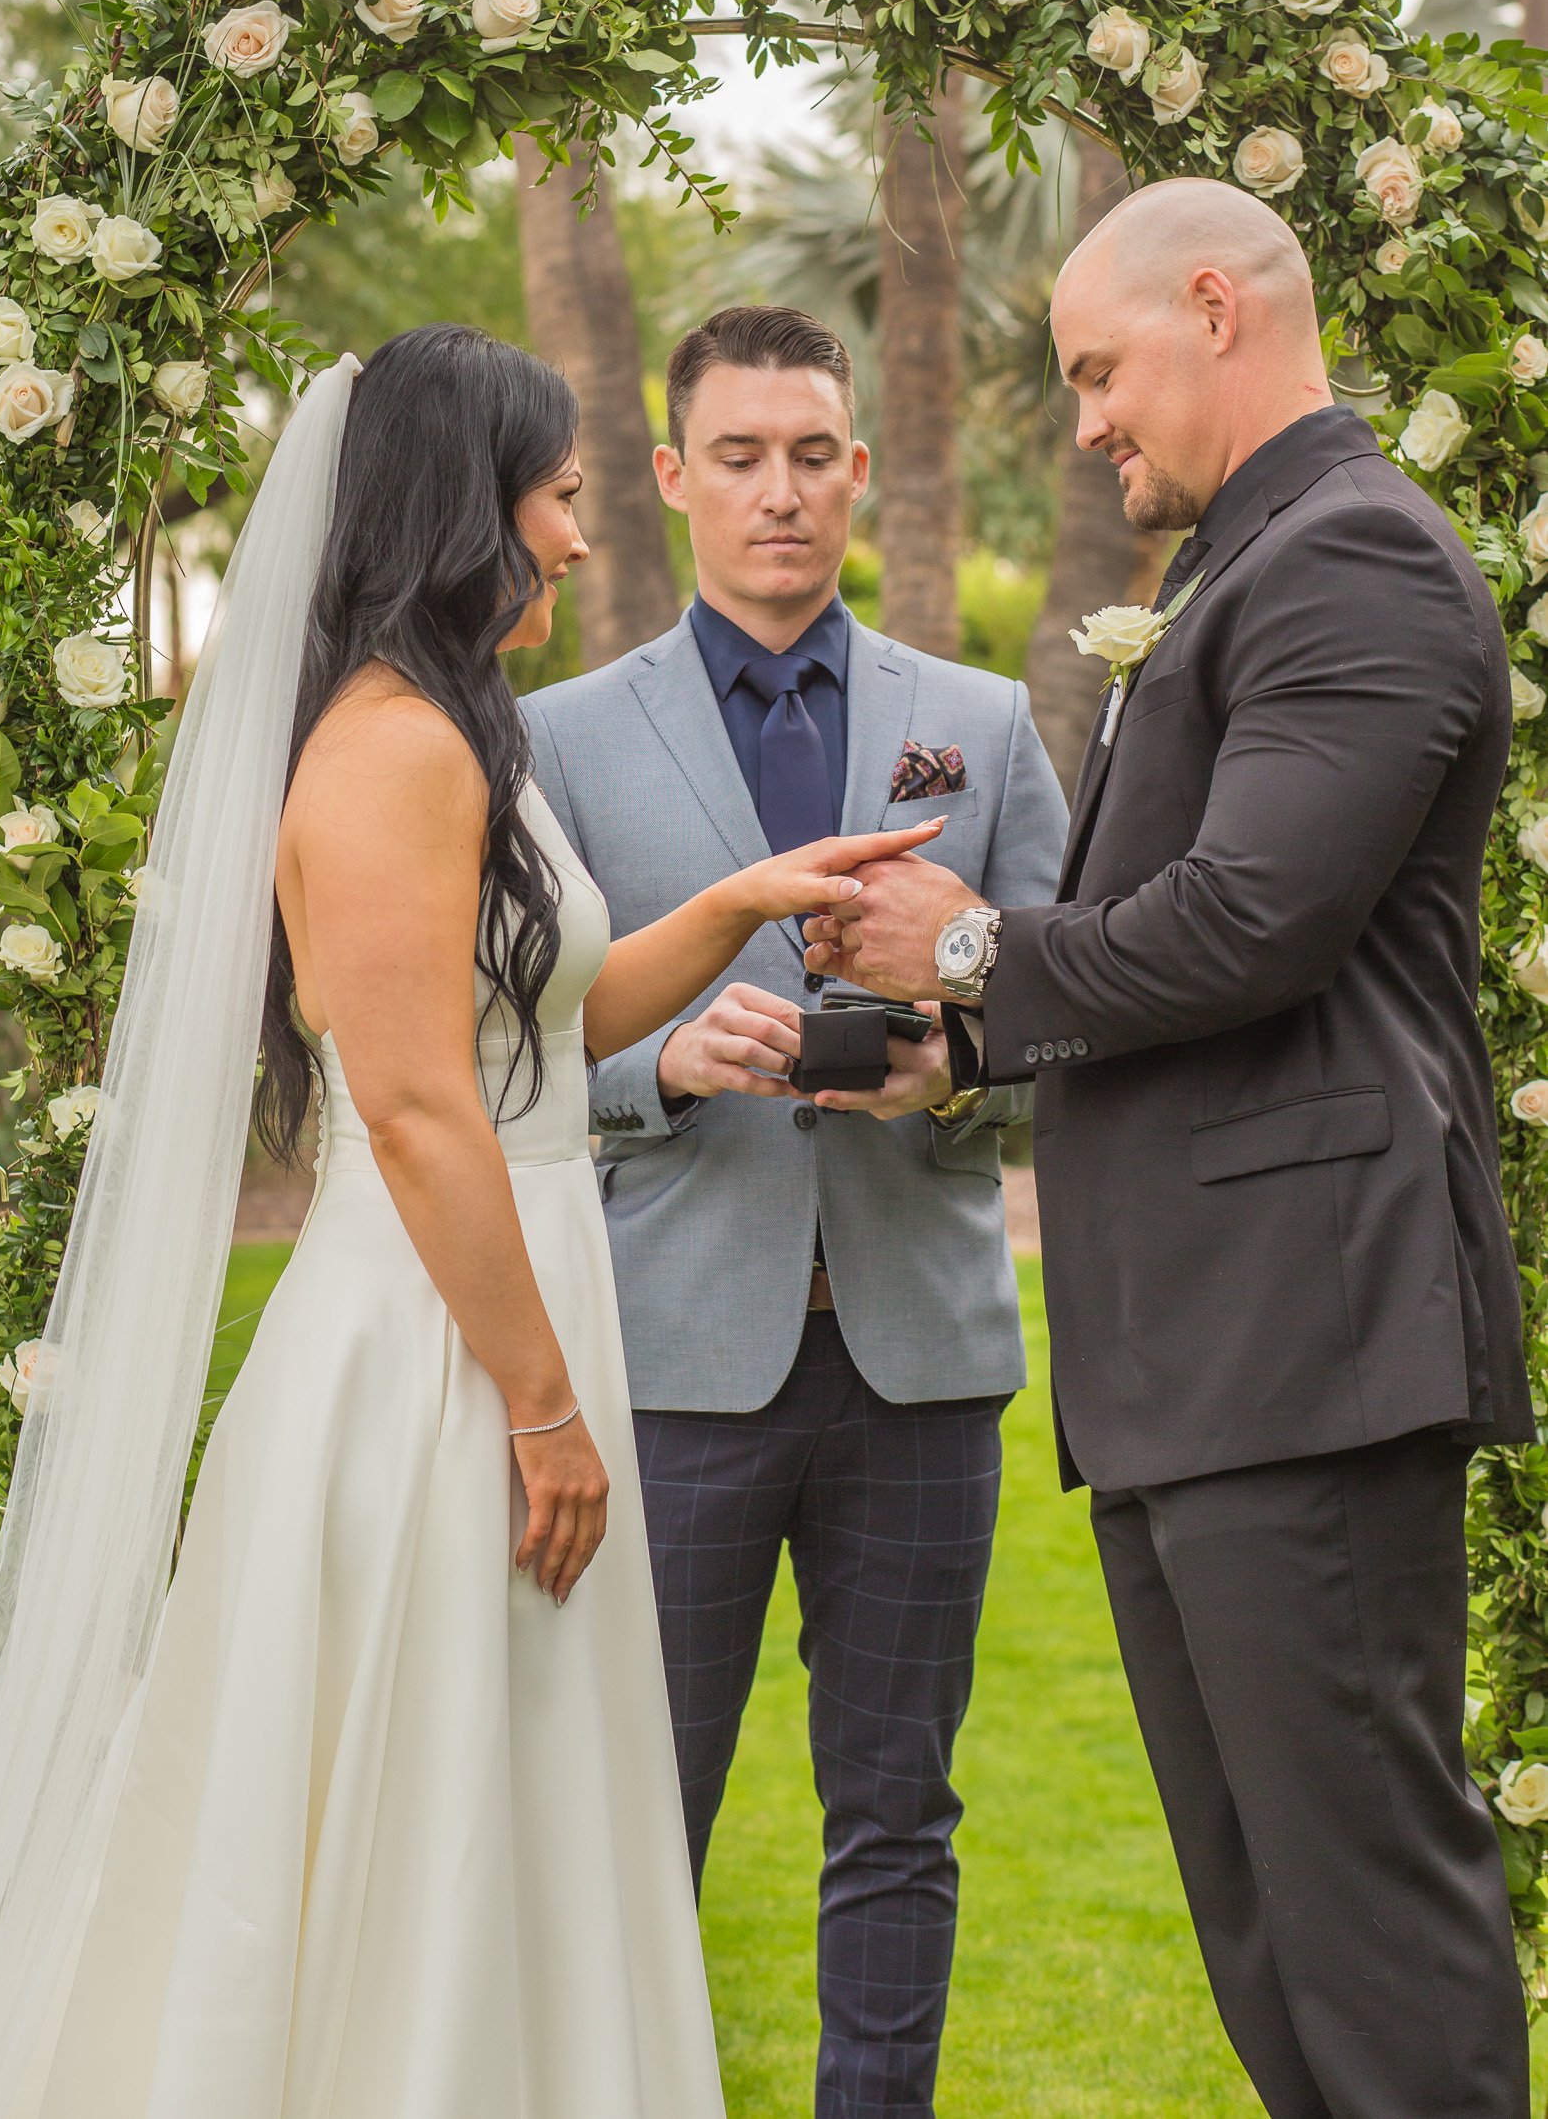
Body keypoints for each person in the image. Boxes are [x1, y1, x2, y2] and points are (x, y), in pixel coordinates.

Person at [0, 325, 940, 2119]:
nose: (580, 538)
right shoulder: (386, 753)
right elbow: (420, 1107)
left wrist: (743, 900)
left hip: (512, 1299)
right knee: (425, 1775)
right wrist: (542, 1405)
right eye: (559, 496)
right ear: (467, 508)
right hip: (433, 1344)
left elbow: (551, 1032)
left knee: (517, 1772)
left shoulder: (464, 735)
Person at [801, 178, 1536, 2118]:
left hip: (1304, 1345)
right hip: (1203, 1367)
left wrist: (969, 946)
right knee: (1271, 1935)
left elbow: (1251, 922)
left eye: (1099, 371)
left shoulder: (1353, 556)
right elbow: (1194, 968)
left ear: (1216, 306)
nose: (1088, 423)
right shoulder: (1250, 562)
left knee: (1368, 1921)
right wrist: (955, 1050)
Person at [523, 303, 1068, 2118]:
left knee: (900, 1814)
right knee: (635, 1813)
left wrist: (953, 1066)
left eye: (813, 454)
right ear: (672, 477)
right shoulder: (558, 738)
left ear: (859, 469)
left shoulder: (981, 727)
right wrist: (662, 1068)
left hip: (921, 1361)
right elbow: (496, 1056)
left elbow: (1082, 1024)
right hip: (669, 1362)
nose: (781, 491)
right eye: (741, 456)